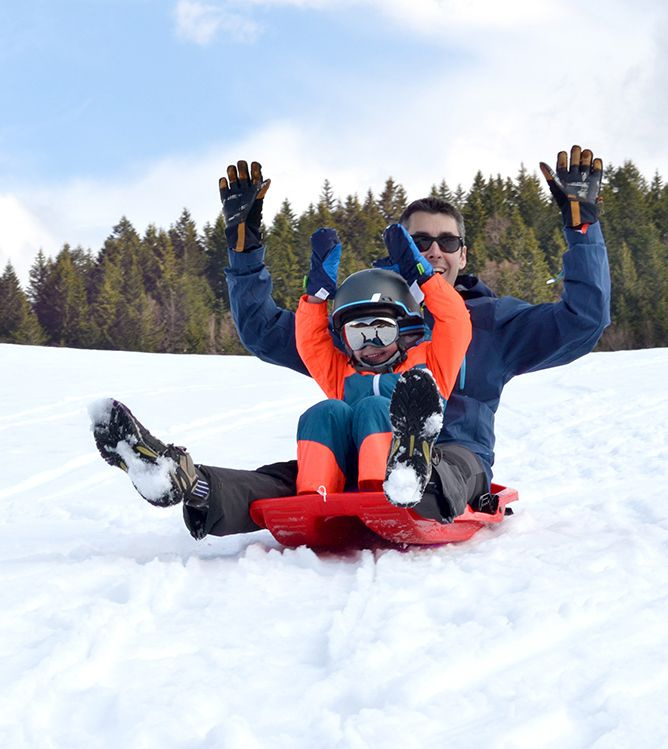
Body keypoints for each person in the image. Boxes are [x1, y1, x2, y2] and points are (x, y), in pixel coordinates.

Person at [91, 146, 611, 542]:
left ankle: (415, 468)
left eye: (447, 242)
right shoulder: (358, 326)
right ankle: (188, 481)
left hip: (454, 460)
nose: (434, 252)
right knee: (287, 478)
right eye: (420, 241)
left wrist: (582, 229)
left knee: (454, 464)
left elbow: (584, 320)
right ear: (401, 251)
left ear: (463, 254)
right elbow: (266, 330)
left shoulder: (492, 322)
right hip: (350, 461)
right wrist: (244, 251)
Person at [294, 222, 471, 509]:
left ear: (404, 331)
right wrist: (318, 296)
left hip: (409, 476)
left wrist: (422, 278)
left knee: (375, 406)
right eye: (357, 334)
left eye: (381, 330)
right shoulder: (342, 373)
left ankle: (384, 492)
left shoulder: (431, 364)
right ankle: (313, 497)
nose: (370, 344)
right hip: (346, 471)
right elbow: (310, 341)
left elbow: (456, 321)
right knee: (326, 411)